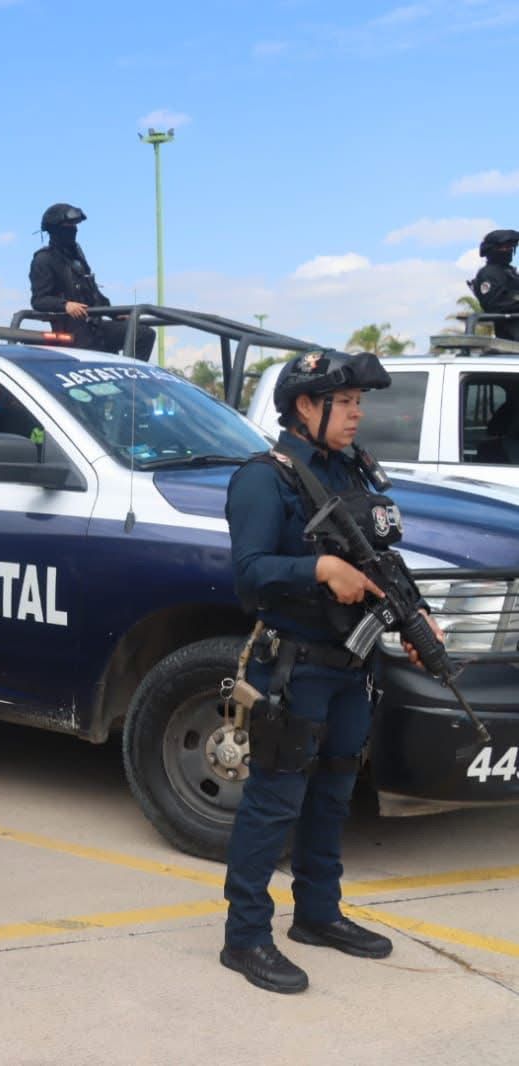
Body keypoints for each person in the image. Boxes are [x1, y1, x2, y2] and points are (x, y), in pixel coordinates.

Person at [220, 348, 441, 995]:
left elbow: (380, 559)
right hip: (296, 667)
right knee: (274, 801)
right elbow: (249, 575)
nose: (356, 414)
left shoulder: (351, 470)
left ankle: (317, 914)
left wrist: (419, 618)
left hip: (352, 664)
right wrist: (318, 569)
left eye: (357, 403)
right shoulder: (264, 478)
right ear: (304, 407)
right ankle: (245, 937)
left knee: (334, 793)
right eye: (343, 403)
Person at [29, 203, 155, 361]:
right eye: (68, 226)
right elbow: (39, 300)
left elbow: (94, 294)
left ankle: (132, 376)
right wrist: (65, 305)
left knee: (143, 334)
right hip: (72, 332)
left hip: (95, 326)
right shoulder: (44, 259)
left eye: (75, 226)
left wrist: (115, 314)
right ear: (55, 229)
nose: (73, 230)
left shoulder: (77, 258)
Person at [469, 228, 519, 343]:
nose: (508, 250)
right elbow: (495, 304)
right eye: (504, 247)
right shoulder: (488, 274)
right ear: (492, 250)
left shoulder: (510, 272)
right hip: (510, 332)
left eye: (510, 247)